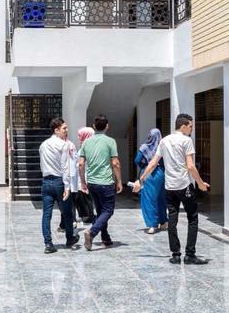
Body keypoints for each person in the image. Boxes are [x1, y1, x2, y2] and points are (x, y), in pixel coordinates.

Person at [135, 113, 210, 265]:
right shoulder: (187, 141)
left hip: (169, 187)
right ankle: (190, 254)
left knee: (172, 219)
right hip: (184, 185)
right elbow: (190, 166)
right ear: (183, 126)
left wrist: (140, 180)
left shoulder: (164, 141)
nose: (192, 129)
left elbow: (153, 163)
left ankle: (175, 255)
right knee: (192, 218)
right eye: (190, 126)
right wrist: (201, 183)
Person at [78, 114, 122, 251]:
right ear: (107, 126)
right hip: (106, 182)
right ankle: (92, 232)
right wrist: (119, 181)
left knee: (101, 211)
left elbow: (81, 164)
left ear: (94, 126)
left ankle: (105, 237)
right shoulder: (110, 141)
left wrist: (83, 181)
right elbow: (115, 163)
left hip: (92, 182)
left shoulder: (86, 142)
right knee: (108, 211)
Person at [38, 117, 77, 252]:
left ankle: (48, 244)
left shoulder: (43, 145)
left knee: (46, 214)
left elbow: (42, 164)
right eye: (64, 128)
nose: (66, 130)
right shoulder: (63, 145)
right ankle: (70, 239)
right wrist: (67, 186)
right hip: (59, 181)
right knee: (67, 212)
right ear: (56, 130)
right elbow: (65, 167)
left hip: (46, 181)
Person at [134, 128, 166, 234]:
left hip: (149, 173)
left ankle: (152, 225)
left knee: (148, 199)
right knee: (161, 198)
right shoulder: (163, 146)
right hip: (161, 173)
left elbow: (137, 160)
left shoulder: (145, 147)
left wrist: (144, 166)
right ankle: (163, 222)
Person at [73, 127, 97, 224]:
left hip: (83, 177)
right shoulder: (92, 147)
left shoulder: (85, 148)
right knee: (85, 198)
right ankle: (88, 216)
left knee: (84, 198)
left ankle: (87, 217)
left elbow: (81, 164)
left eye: (80, 135)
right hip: (87, 177)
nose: (78, 138)